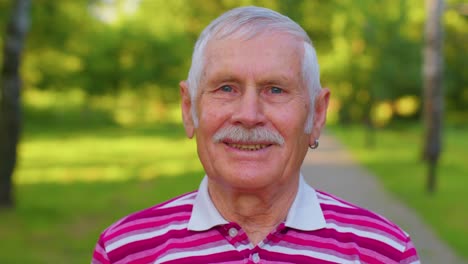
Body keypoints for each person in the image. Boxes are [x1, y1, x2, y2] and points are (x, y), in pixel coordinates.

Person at [92, 6, 420, 264]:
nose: (249, 115)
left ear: (317, 114)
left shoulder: (385, 252)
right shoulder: (125, 251)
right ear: (189, 108)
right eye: (226, 88)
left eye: (275, 89)